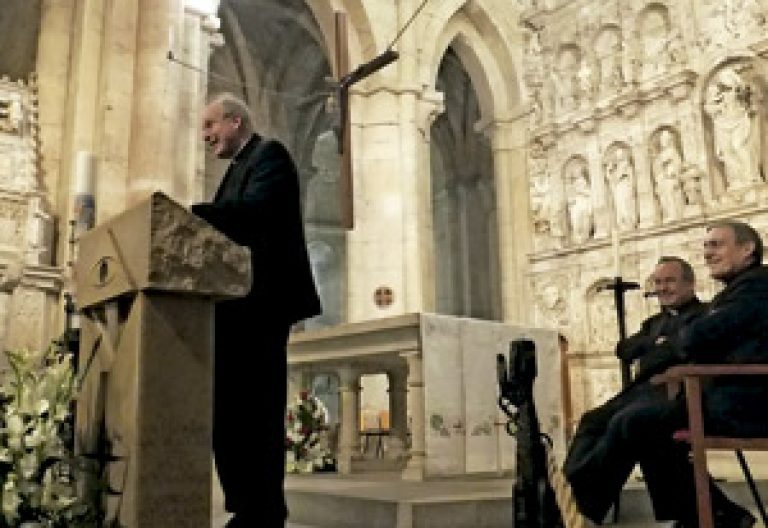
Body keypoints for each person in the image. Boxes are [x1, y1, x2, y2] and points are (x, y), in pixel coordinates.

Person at [568, 221, 768, 527]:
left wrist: (679, 342)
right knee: (641, 421)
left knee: (637, 421)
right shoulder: (738, 289)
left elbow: (704, 334)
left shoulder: (757, 285)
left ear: (747, 249)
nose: (708, 253)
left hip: (746, 400)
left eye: (716, 245)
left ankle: (575, 506)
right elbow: (689, 340)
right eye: (706, 246)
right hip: (726, 395)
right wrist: (674, 343)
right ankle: (720, 515)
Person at [192, 92, 322, 528]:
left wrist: (192, 214)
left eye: (210, 125)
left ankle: (264, 509)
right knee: (229, 408)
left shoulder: (270, 155)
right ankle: (247, 505)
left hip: (263, 303)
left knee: (257, 409)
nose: (206, 136)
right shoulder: (234, 170)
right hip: (235, 305)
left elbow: (254, 214)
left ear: (234, 121)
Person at [565, 256, 706, 522]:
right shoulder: (654, 323)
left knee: (625, 424)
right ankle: (568, 495)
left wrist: (652, 348)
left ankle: (583, 506)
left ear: (690, 284)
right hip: (640, 392)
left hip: (675, 393)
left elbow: (670, 356)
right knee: (591, 421)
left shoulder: (702, 316)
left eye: (670, 281)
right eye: (658, 282)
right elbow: (625, 350)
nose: (663, 288)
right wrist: (657, 343)